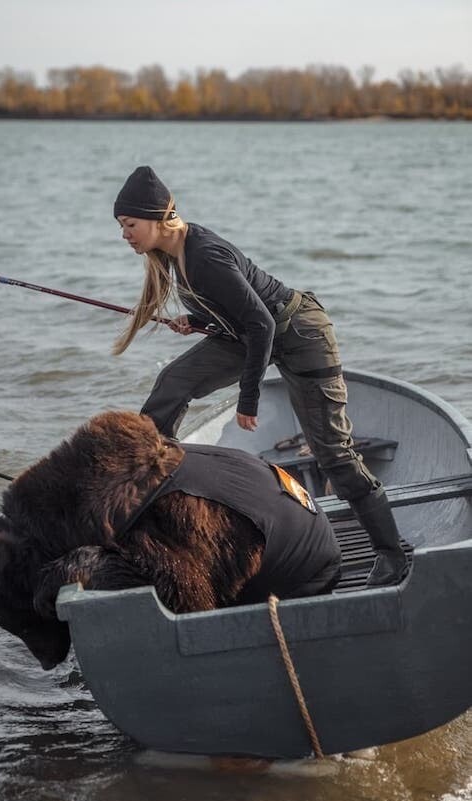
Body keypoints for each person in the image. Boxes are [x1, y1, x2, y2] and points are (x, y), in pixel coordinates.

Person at [109, 165, 406, 587]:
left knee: (334, 455)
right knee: (174, 382)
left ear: (157, 218)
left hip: (300, 332)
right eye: (122, 226)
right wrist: (196, 319)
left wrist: (247, 402)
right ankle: (146, 478)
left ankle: (392, 555)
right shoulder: (175, 256)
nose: (124, 234)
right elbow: (239, 311)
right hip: (251, 334)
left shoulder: (204, 255)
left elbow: (262, 324)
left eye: (129, 224)